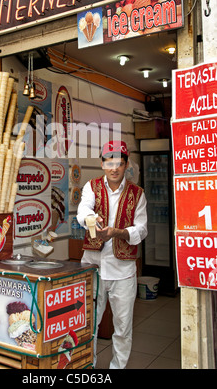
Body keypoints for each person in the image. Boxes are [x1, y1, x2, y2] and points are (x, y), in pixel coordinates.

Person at [77, 140, 147, 369]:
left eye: (119, 163)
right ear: (102, 164)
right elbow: (83, 211)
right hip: (93, 267)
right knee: (88, 324)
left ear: (126, 165)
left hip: (123, 272)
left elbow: (142, 229)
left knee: (123, 327)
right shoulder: (91, 186)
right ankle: (89, 366)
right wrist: (93, 220)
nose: (114, 168)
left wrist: (118, 232)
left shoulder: (138, 194)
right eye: (109, 163)